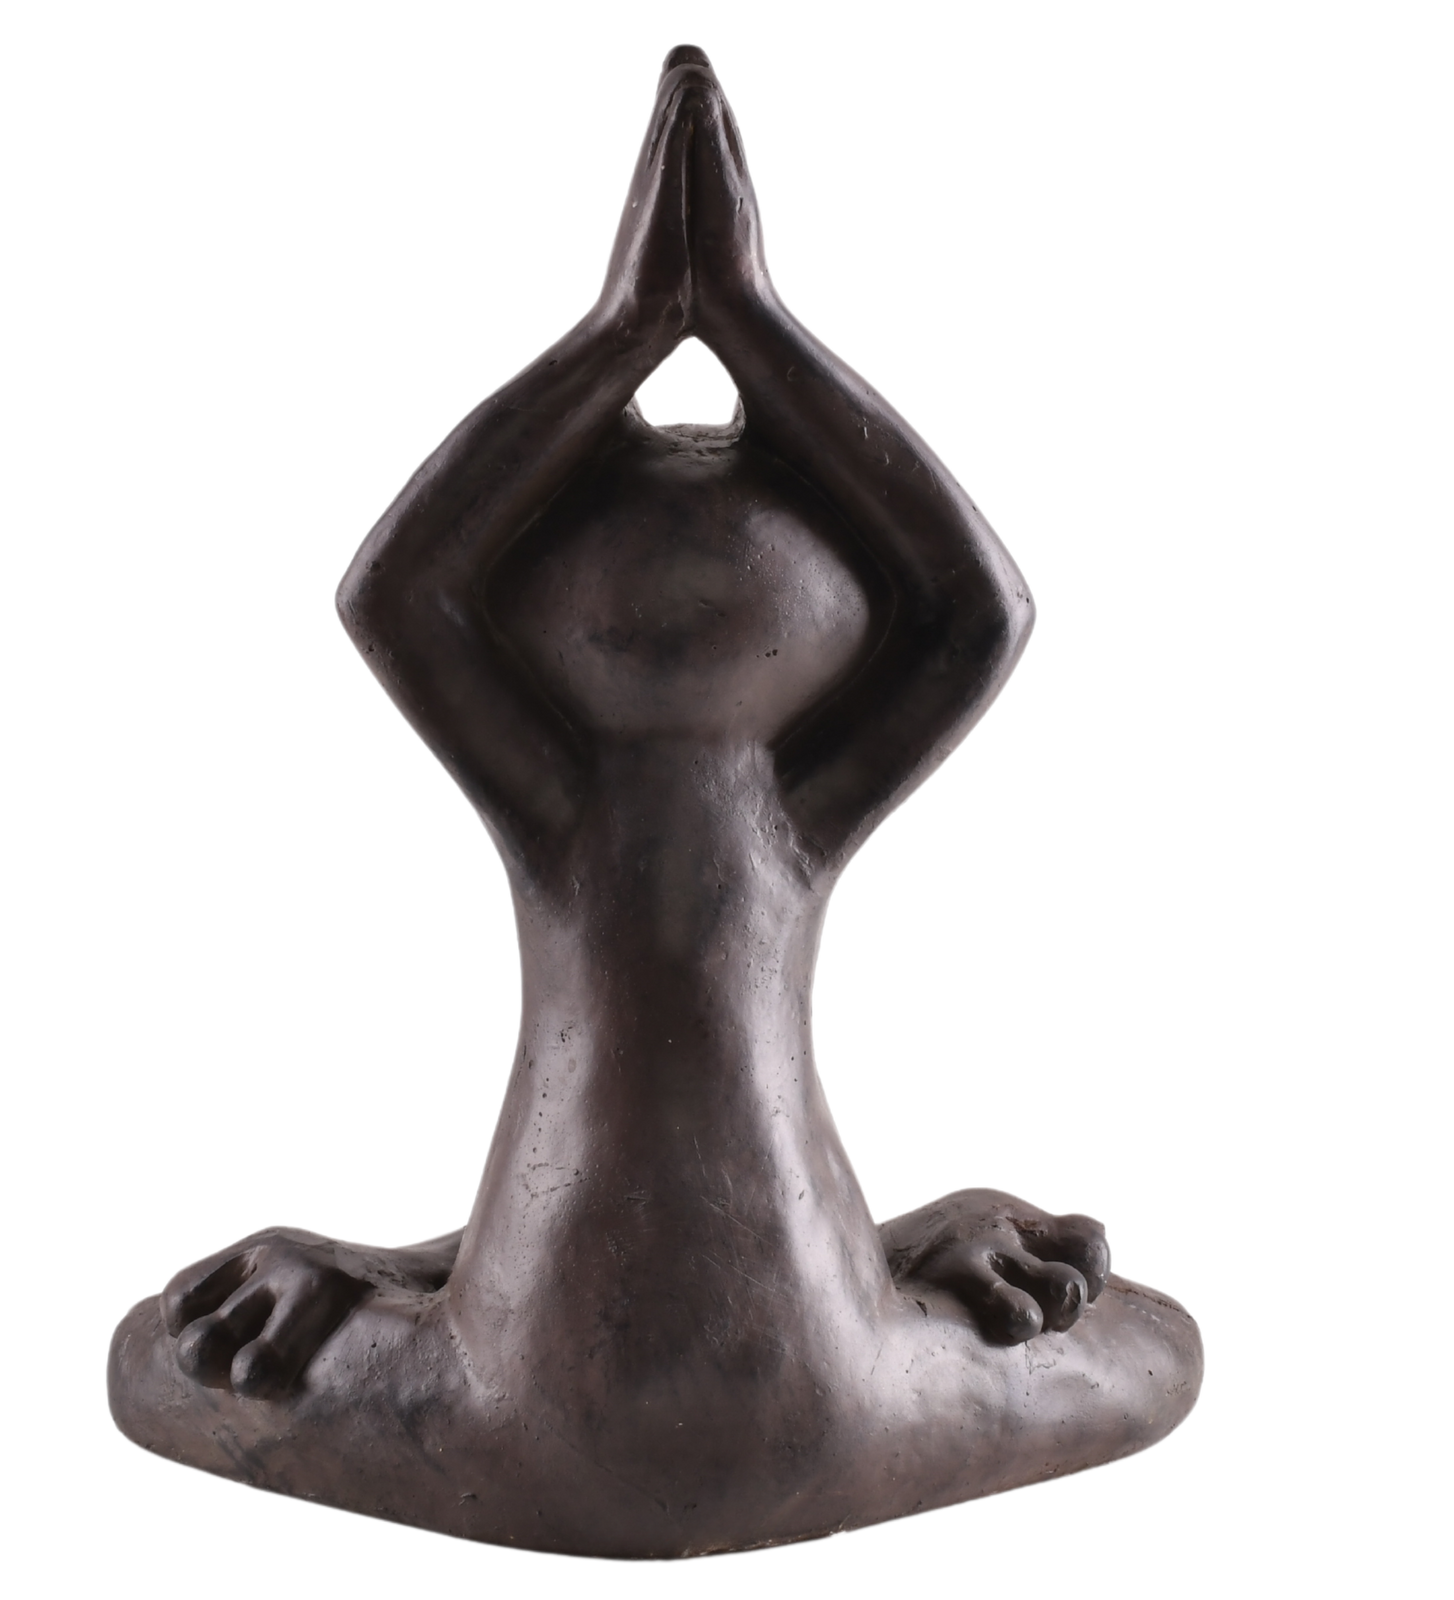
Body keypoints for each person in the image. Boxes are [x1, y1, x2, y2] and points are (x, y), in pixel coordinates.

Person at [105, 43, 1204, 1559]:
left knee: (154, 1362)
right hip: (812, 1387)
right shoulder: (772, 799)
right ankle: (880, 1288)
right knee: (1158, 1348)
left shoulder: (596, 789)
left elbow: (399, 593)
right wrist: (738, 323)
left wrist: (634, 331)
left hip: (534, 1398)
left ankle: (870, 1281)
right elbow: (977, 609)